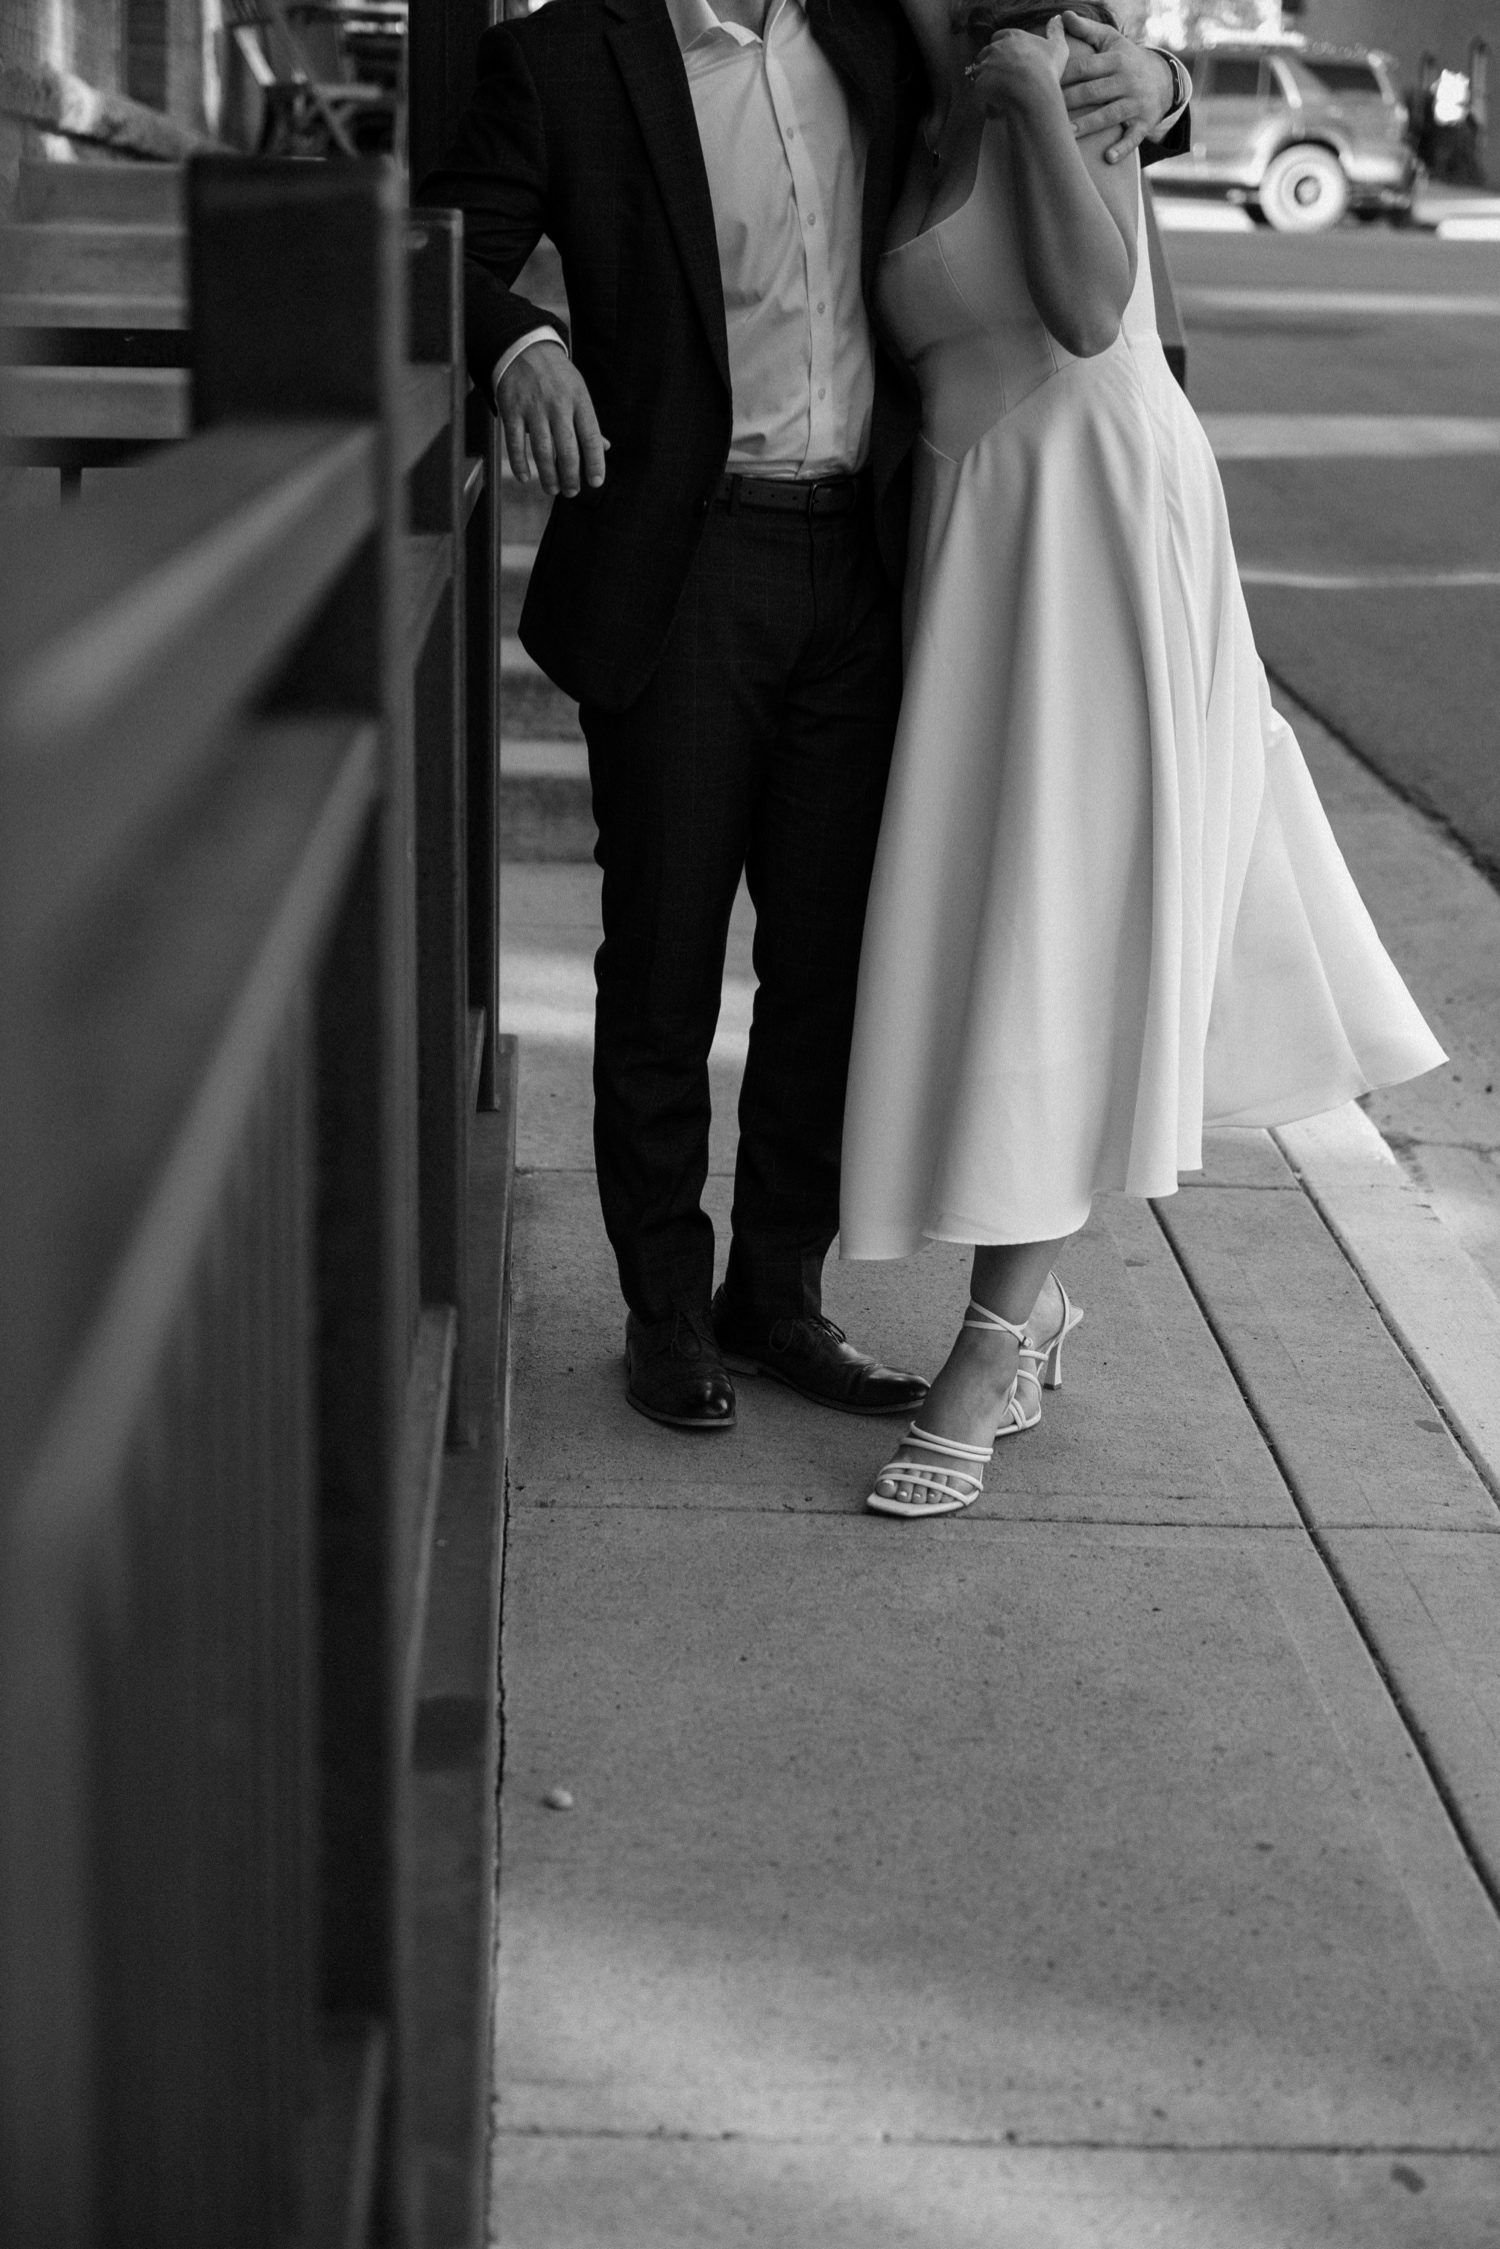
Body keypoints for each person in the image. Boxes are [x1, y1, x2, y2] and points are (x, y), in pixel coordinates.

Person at [418, 0, 1189, 1432]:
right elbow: (435, 246)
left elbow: (1065, 76)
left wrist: (1167, 79)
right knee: (662, 956)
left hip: (873, 559)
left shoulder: (870, 30)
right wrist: (523, 346)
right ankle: (666, 1312)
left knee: (831, 964)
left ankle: (776, 1292)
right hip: (687, 555)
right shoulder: (567, 55)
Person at [837, 1, 1445, 1519]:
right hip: (979, 536)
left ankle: (991, 1342)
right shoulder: (888, 87)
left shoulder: (1062, 54)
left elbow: (1098, 303)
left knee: (1062, 916)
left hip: (1098, 514)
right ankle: (1028, 1314)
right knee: (996, 914)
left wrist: (1057, 104)